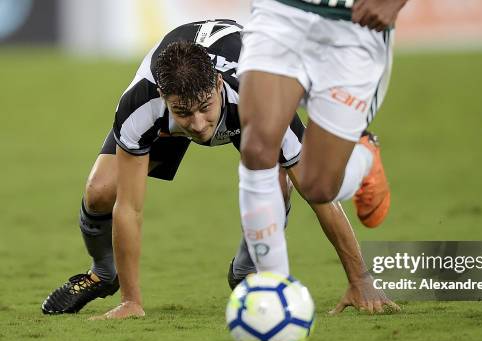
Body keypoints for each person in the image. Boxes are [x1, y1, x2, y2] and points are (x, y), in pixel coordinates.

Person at [40, 19, 399, 319]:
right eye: (184, 112)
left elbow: (318, 196)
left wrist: (360, 279)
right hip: (177, 112)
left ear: (217, 84)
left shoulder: (260, 94)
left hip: (245, 110)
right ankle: (103, 275)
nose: (197, 124)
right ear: (165, 98)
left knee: (282, 182)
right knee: (100, 191)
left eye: (204, 108)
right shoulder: (142, 104)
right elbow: (129, 208)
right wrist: (131, 302)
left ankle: (246, 271)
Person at [236, 0, 410, 280]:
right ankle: (273, 293)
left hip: (354, 22)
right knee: (256, 147)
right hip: (282, 11)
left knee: (318, 187)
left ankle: (364, 156)